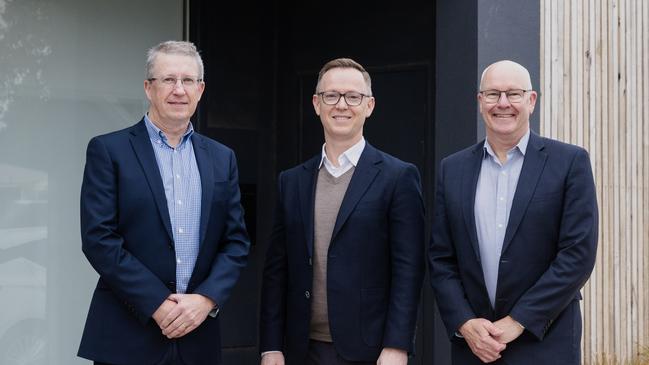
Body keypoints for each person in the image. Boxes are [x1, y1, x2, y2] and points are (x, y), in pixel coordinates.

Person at [77, 40, 250, 365]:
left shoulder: (222, 158)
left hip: (198, 336)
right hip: (127, 335)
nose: (179, 90)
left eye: (188, 81)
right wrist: (157, 303)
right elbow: (99, 239)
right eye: (168, 79)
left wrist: (206, 299)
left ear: (200, 90)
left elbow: (236, 242)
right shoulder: (109, 151)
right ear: (148, 87)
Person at [428, 60, 598, 364]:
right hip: (475, 346)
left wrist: (518, 320)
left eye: (513, 94)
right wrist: (465, 323)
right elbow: (441, 258)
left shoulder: (569, 163)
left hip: (545, 341)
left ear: (531, 101)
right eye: (493, 94)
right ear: (480, 102)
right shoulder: (452, 169)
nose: (503, 103)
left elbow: (577, 255)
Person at [259, 58, 425, 365]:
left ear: (370, 105)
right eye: (331, 96)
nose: (342, 105)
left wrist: (397, 345)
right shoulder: (292, 181)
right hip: (300, 349)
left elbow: (408, 269)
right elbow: (276, 271)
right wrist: (271, 347)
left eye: (353, 97)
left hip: (370, 350)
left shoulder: (398, 177)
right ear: (316, 104)